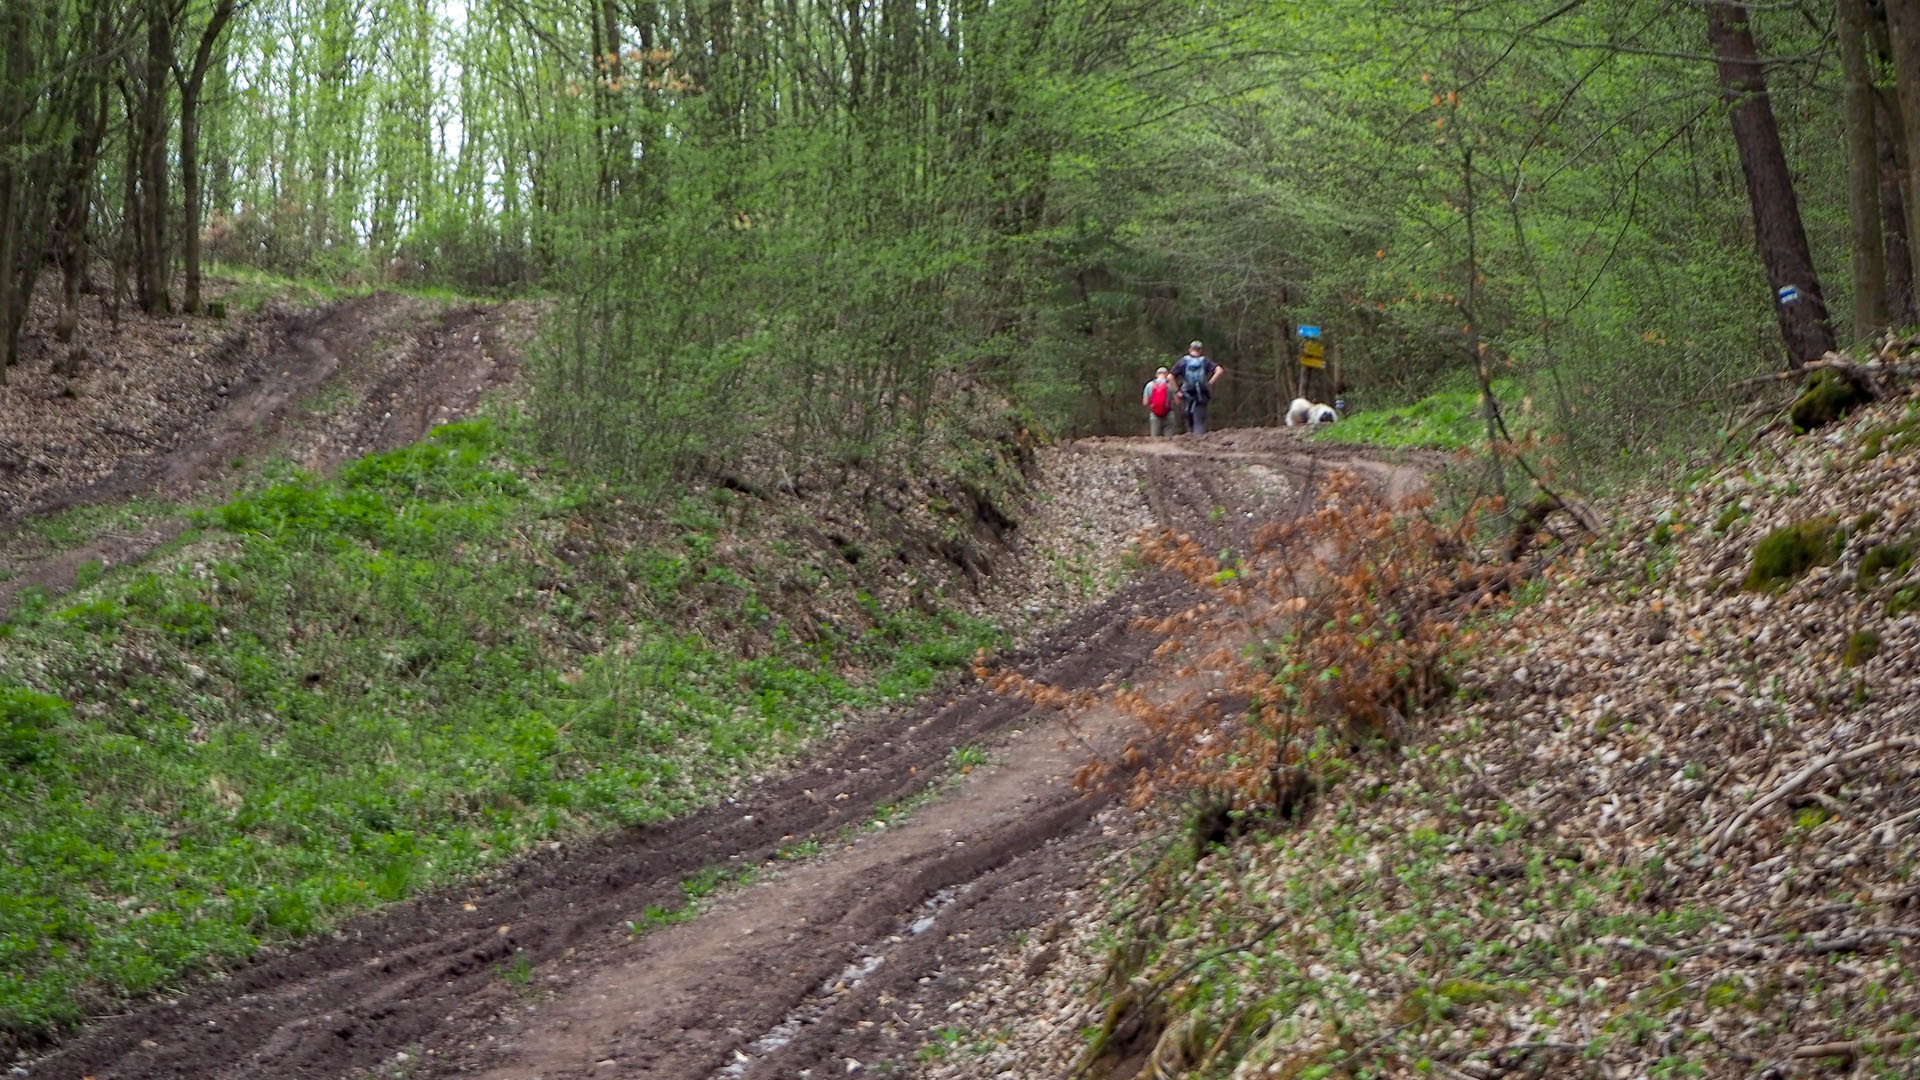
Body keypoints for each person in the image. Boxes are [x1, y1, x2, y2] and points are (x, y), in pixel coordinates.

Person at [1174, 340, 1224, 436]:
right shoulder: (1205, 361)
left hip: (1187, 393)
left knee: (1189, 419)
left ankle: (1191, 441)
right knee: (1199, 421)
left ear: (1190, 350)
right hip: (1201, 394)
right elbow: (1219, 370)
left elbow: (1170, 377)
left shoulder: (1183, 362)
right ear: (1200, 351)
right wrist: (1209, 383)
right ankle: (1199, 442)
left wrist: (1177, 391)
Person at [1142, 366, 1178, 437]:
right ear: (1167, 374)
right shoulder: (1170, 385)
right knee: (1169, 439)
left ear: (1156, 375)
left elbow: (1145, 403)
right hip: (1169, 414)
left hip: (1154, 415)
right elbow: (1177, 402)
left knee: (1155, 439)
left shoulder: (1149, 385)